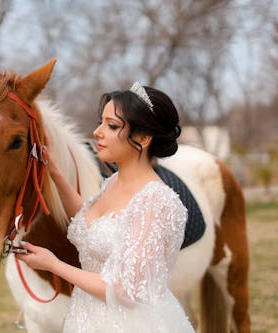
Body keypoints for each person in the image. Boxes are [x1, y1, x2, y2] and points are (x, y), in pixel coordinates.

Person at [16, 82, 195, 333]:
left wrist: (53, 265)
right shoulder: (112, 183)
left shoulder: (157, 202)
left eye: (111, 126)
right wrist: (54, 171)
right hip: (87, 319)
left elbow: (124, 290)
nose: (98, 132)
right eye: (101, 122)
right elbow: (88, 219)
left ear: (143, 138)